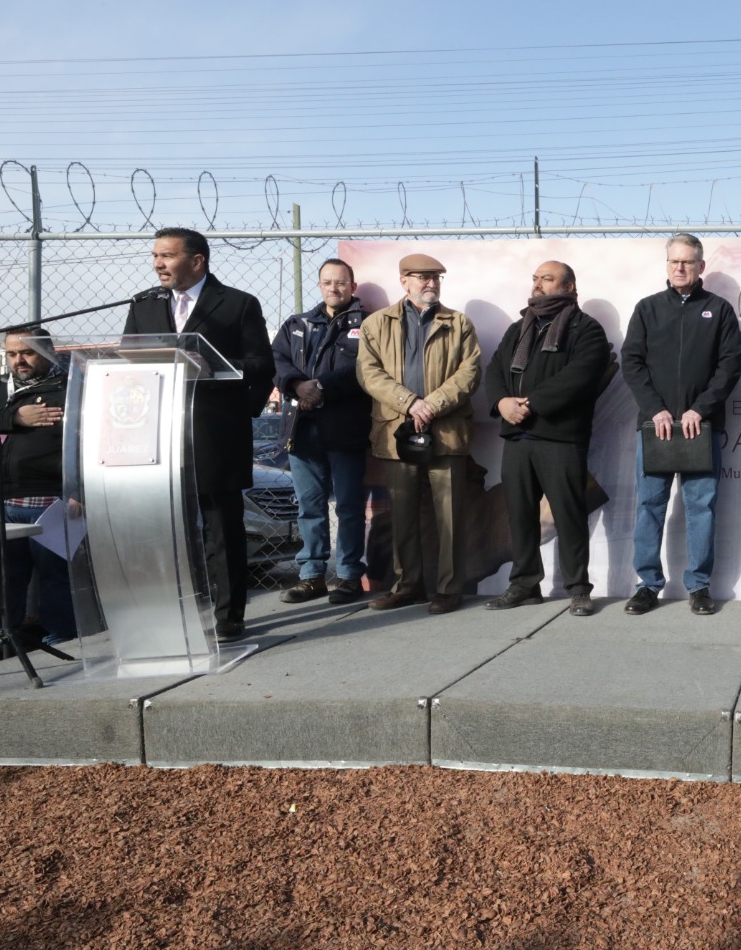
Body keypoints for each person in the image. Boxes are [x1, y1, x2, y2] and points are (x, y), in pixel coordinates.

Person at [124, 228, 275, 643]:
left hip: (214, 434)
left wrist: (211, 365)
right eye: (155, 255)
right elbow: (129, 360)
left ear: (197, 261)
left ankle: (228, 615)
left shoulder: (238, 304)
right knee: (163, 530)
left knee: (221, 529)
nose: (158, 264)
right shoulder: (143, 304)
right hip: (156, 434)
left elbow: (261, 365)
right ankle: (170, 613)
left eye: (167, 256)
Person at [619, 233, 741, 616]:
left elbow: (729, 365)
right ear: (667, 264)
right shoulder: (647, 308)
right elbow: (631, 362)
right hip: (654, 427)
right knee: (649, 506)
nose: (680, 267)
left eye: (687, 261)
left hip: (700, 428)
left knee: (701, 507)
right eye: (674, 261)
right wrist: (654, 409)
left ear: (700, 266)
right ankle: (647, 585)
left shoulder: (719, 310)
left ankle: (699, 586)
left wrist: (699, 410)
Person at [483, 260, 610, 617]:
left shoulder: (586, 329)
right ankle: (525, 585)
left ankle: (578, 589)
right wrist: (502, 402)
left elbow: (579, 377)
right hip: (517, 436)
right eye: (536, 278)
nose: (538, 284)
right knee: (519, 515)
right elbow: (495, 370)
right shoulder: (518, 328)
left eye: (547, 278)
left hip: (560, 438)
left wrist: (530, 404)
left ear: (569, 287)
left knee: (568, 515)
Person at [356, 252, 481, 615]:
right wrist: (410, 402)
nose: (431, 283)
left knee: (450, 517)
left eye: (435, 278)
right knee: (402, 516)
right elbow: (368, 373)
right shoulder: (376, 324)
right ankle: (407, 586)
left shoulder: (459, 323)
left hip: (447, 432)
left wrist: (433, 405)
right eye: (423, 277)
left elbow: (470, 372)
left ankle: (449, 589)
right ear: (404, 281)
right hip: (397, 433)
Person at [0, 329, 76, 664]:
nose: (18, 361)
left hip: (48, 499)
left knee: (54, 575)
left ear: (47, 352)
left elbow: (87, 438)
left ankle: (61, 640)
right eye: (11, 354)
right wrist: (15, 418)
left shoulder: (69, 388)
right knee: (2, 576)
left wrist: (78, 489)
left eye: (27, 353)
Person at [271, 258, 371, 606]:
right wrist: (296, 385)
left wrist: (320, 387)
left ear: (352, 286)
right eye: (327, 282)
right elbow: (277, 361)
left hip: (345, 429)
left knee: (349, 507)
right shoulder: (296, 324)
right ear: (319, 286)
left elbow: (365, 369)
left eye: (341, 282)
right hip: (302, 429)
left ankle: (349, 576)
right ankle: (312, 576)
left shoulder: (369, 325)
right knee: (309, 507)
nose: (334, 288)